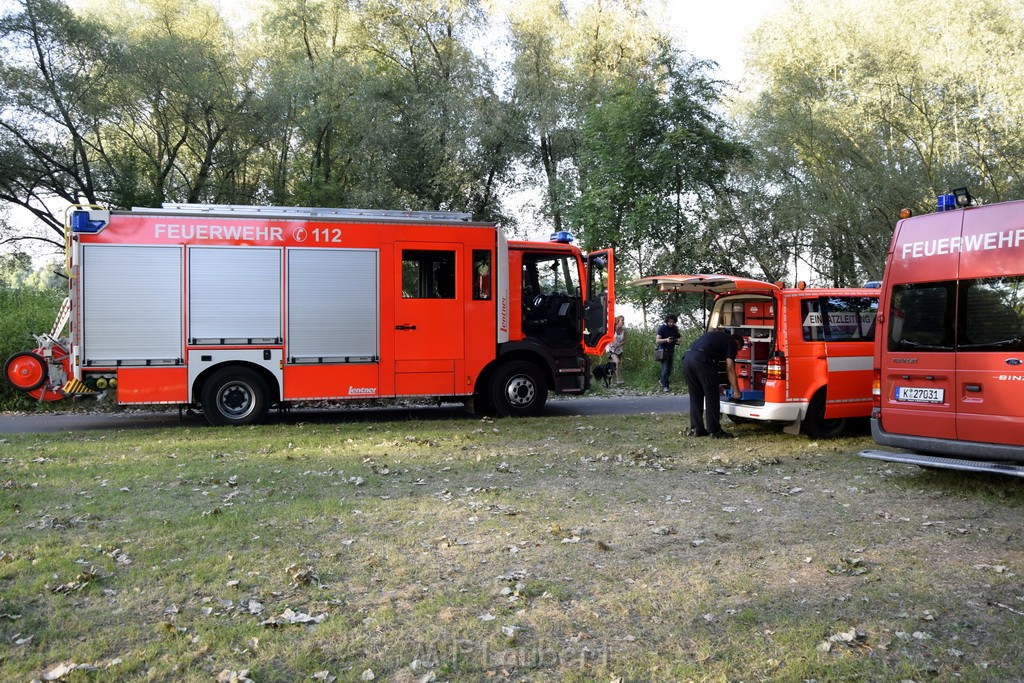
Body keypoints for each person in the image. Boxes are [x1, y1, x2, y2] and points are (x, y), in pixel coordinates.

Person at [683, 328, 745, 438]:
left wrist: (716, 384)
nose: (736, 353)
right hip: (702, 360)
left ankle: (697, 429)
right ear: (738, 343)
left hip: (688, 359)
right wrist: (736, 391)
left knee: (695, 395)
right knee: (712, 396)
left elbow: (710, 363)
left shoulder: (717, 338)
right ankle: (715, 431)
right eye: (738, 350)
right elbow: (730, 367)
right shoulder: (731, 342)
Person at [655, 314, 681, 392]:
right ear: (667, 321)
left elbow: (679, 337)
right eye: (670, 322)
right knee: (665, 368)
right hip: (663, 350)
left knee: (669, 369)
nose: (671, 324)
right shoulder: (662, 328)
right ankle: (665, 386)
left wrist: (678, 340)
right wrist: (666, 340)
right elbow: (657, 340)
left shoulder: (675, 328)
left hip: (671, 350)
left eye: (673, 322)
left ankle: (662, 380)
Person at [608, 315, 627, 386]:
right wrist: (612, 346)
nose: (623, 322)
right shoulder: (612, 329)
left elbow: (625, 341)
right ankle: (619, 379)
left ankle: (612, 382)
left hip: (619, 350)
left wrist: (618, 345)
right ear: (618, 321)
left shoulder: (624, 331)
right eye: (622, 320)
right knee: (617, 362)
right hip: (611, 349)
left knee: (615, 365)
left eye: (624, 320)